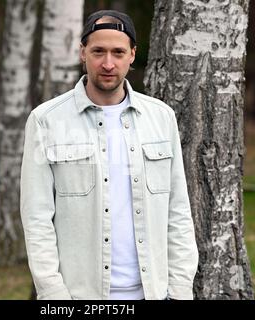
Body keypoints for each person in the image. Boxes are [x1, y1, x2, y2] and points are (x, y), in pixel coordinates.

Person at [20, 9, 198, 300]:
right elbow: (37, 219)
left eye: (118, 52)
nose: (108, 63)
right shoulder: (46, 121)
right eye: (98, 51)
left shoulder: (161, 118)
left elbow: (178, 211)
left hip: (154, 292)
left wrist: (179, 290)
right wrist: (54, 294)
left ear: (132, 54)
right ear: (82, 53)